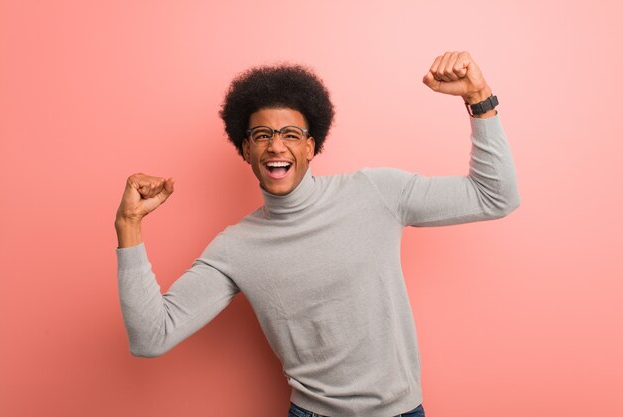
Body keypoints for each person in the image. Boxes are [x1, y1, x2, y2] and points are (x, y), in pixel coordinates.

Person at [114, 51, 520, 417]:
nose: (276, 146)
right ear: (246, 150)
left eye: (290, 134)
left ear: (311, 146)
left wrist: (479, 98)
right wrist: (129, 227)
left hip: (402, 412)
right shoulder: (235, 248)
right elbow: (151, 337)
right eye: (262, 136)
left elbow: (494, 196)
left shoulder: (376, 192)